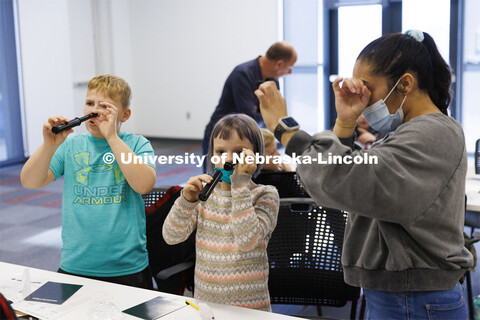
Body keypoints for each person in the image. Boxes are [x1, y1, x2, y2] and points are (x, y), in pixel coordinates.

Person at [255, 31, 473, 319]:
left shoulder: (432, 133)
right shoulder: (410, 132)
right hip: (402, 295)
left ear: (405, 83)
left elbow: (344, 179)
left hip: (414, 299)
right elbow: (343, 178)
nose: (364, 98)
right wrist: (344, 123)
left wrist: (284, 129)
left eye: (368, 88)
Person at [20, 74, 157, 289]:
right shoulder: (71, 145)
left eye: (105, 107)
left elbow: (143, 184)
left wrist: (112, 137)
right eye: (89, 103)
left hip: (127, 268)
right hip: (76, 265)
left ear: (125, 114)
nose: (94, 111)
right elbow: (30, 181)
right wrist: (48, 145)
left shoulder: (137, 144)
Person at [163, 114, 279, 311]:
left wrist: (240, 184)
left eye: (238, 152)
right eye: (220, 151)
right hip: (207, 306)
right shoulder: (204, 195)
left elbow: (247, 241)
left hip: (250, 310)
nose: (227, 159)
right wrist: (187, 201)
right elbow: (171, 236)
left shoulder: (265, 195)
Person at [202, 41, 297, 172]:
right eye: (290, 67)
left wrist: (259, 111)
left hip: (244, 136)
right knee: (214, 178)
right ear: (279, 64)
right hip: (221, 135)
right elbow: (248, 116)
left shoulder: (272, 80)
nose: (290, 72)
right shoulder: (242, 73)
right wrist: (264, 112)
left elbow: (266, 114)